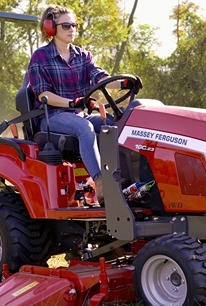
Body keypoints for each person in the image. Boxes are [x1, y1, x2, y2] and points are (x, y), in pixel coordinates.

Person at [28, 4, 136, 205]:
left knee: (114, 124)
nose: (72, 30)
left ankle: (125, 179)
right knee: (84, 127)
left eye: (74, 25)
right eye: (66, 26)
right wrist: (71, 102)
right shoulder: (40, 57)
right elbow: (43, 95)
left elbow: (100, 77)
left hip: (78, 114)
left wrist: (123, 83)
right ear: (51, 28)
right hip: (51, 117)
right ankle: (100, 182)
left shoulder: (83, 55)